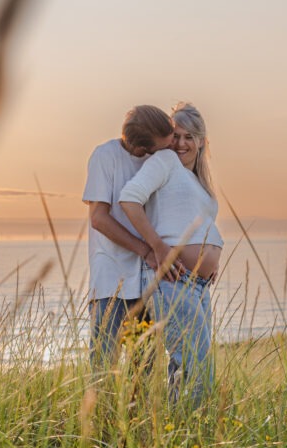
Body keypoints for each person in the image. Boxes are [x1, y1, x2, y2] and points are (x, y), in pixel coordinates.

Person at [119, 103, 222, 407]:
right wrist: (159, 248)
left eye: (189, 137)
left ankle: (181, 435)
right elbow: (129, 199)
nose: (181, 144)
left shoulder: (200, 182)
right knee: (197, 367)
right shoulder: (165, 161)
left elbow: (191, 221)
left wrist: (209, 261)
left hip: (198, 286)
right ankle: (190, 440)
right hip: (173, 281)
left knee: (187, 367)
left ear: (202, 141)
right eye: (175, 135)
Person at [83, 104, 174, 368]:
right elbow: (99, 218)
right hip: (111, 281)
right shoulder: (105, 156)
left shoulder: (161, 161)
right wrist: (147, 249)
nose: (170, 152)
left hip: (148, 280)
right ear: (140, 150)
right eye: (163, 148)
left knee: (144, 369)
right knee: (103, 366)